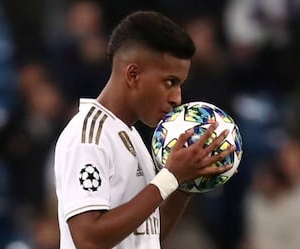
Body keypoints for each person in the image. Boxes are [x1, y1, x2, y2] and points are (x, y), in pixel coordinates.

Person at [54, 10, 235, 249]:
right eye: (170, 82)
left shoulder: (133, 136)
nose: (177, 98)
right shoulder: (88, 136)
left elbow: (149, 234)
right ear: (133, 74)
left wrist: (186, 183)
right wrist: (170, 177)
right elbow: (88, 240)